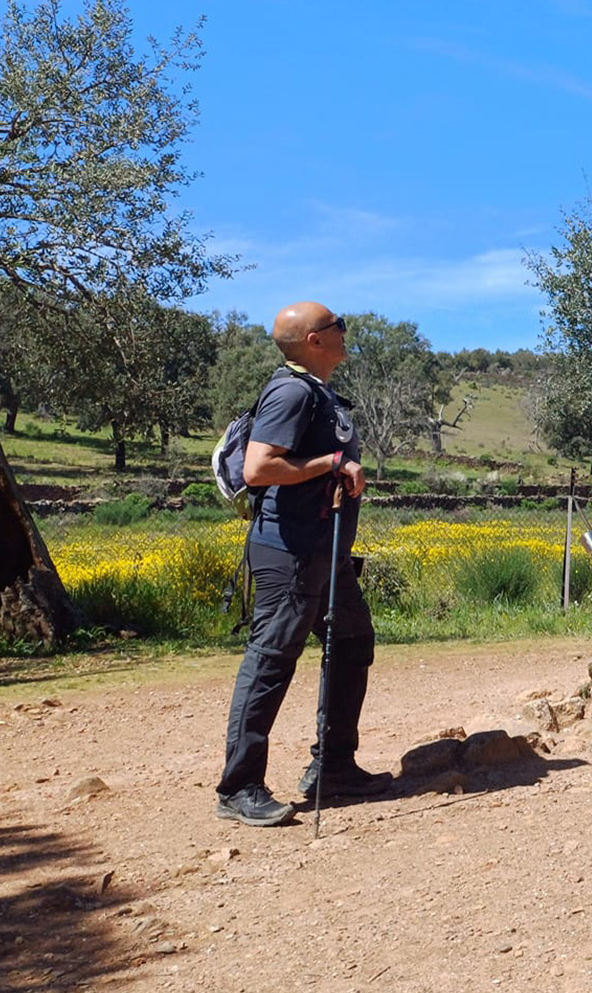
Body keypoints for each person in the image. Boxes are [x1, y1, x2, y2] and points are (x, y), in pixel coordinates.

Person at [215, 302, 390, 826]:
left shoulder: (318, 391)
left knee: (354, 642)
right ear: (314, 340)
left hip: (325, 551)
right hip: (289, 551)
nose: (344, 331)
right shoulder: (291, 391)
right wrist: (331, 463)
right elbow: (259, 465)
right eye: (338, 325)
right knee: (271, 659)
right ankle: (238, 787)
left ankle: (334, 766)